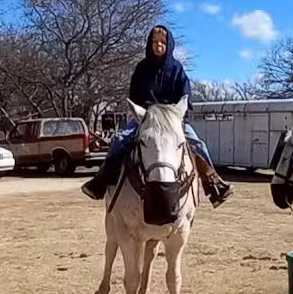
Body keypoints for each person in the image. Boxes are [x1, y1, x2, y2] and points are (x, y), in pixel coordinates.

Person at [81, 25, 233, 207]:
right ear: (149, 43)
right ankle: (101, 182)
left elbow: (185, 95)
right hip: (146, 118)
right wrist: (141, 113)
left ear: (169, 44)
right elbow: (134, 95)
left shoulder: (177, 69)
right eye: (154, 42)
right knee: (119, 140)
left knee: (198, 144)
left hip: (172, 119)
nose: (158, 45)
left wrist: (178, 116)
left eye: (162, 42)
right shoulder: (142, 68)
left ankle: (214, 185)